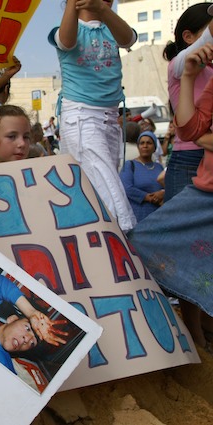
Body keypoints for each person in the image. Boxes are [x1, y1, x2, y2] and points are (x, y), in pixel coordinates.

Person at [129, 43, 213, 350]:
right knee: (138, 240)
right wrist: (189, 76)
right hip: (205, 193)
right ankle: (193, 334)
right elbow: (189, 130)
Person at [48, 0, 137, 232]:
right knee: (107, 188)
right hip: (81, 115)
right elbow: (66, 42)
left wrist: (103, 10)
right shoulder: (67, 29)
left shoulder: (111, 27)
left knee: (94, 185)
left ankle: (93, 241)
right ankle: (123, 237)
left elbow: (129, 39)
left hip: (109, 117)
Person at [163, 3, 213, 203]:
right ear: (188, 37)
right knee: (173, 232)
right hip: (188, 160)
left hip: (207, 156)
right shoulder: (179, 65)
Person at [119, 131, 165, 222]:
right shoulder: (130, 165)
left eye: (149, 143)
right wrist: (149, 197)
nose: (145, 146)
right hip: (138, 215)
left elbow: (166, 185)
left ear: (154, 148)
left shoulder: (159, 167)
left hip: (159, 215)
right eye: (142, 143)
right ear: (138, 147)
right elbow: (127, 188)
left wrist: (163, 192)